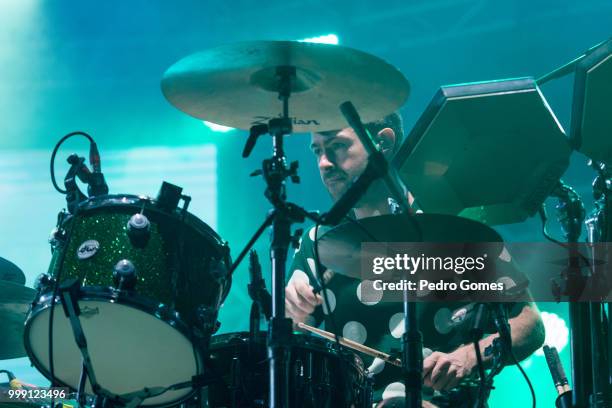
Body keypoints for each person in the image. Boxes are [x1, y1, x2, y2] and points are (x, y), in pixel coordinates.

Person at [285, 112, 545, 406]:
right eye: (318, 151)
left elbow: (530, 324)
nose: (324, 164)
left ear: (383, 142)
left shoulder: (454, 227)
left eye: (338, 146)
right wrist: (295, 311)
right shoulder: (316, 241)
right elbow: (293, 338)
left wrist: (468, 357)